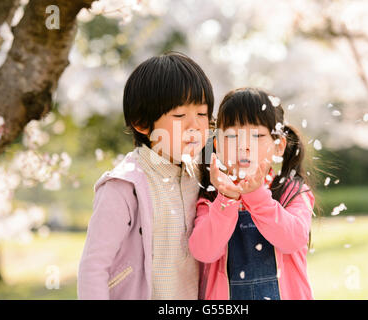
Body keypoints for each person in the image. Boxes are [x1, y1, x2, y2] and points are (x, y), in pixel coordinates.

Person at [77, 52, 214, 299]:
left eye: (202, 114)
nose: (194, 125)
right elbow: (93, 267)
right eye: (180, 116)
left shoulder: (202, 176)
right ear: (141, 123)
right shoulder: (124, 186)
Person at [189, 87, 316, 300]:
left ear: (279, 146)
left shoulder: (291, 191)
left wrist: (256, 196)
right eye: (232, 136)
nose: (243, 146)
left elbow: (293, 240)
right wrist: (226, 199)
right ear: (217, 145)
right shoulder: (212, 198)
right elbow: (204, 251)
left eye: (257, 135)